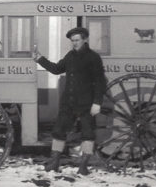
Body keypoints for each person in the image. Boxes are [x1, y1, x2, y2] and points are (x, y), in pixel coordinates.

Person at [32, 27, 107, 175]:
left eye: (77, 40)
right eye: (72, 41)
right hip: (68, 102)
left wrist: (97, 103)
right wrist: (40, 59)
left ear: (85, 39)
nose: (74, 43)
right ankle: (54, 163)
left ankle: (83, 165)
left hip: (86, 103)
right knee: (58, 131)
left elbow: (100, 82)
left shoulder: (93, 57)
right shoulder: (70, 56)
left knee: (88, 133)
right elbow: (56, 69)